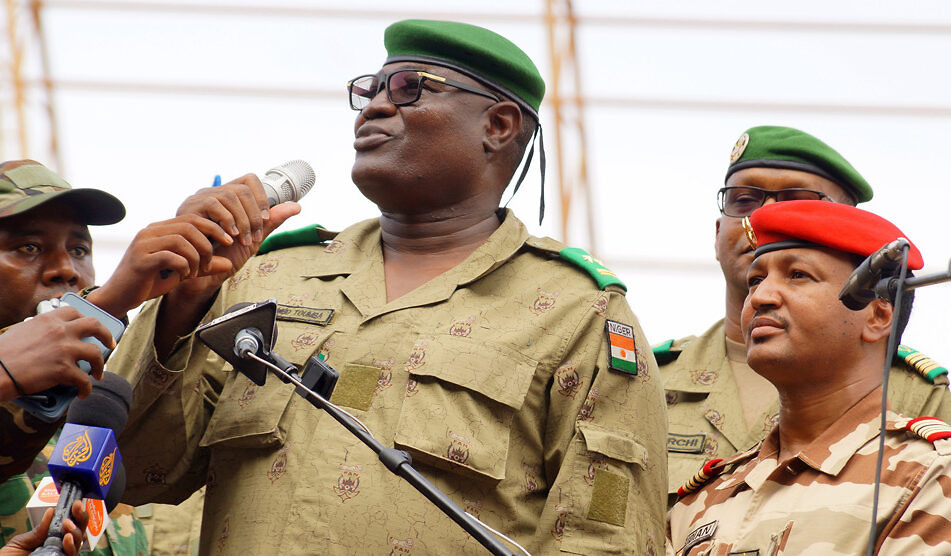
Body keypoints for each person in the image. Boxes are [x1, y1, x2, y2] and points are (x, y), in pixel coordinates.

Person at [111, 19, 668, 554]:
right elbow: (133, 473)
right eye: (370, 90)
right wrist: (184, 304)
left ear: (497, 126)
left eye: (408, 88)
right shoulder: (264, 277)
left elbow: (604, 537)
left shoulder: (578, 314)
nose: (375, 106)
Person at [655, 125, 950, 500]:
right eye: (743, 200)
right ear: (716, 233)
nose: (763, 217)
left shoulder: (908, 389)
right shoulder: (651, 380)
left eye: (799, 202)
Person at [0, 159, 220, 551]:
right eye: (29, 248)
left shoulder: (99, 404)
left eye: (79, 249)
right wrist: (108, 302)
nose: (65, 269)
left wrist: (187, 299)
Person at [667, 200, 951, 554]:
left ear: (878, 316)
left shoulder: (930, 477)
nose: (761, 297)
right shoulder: (702, 500)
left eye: (798, 275)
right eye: (755, 280)